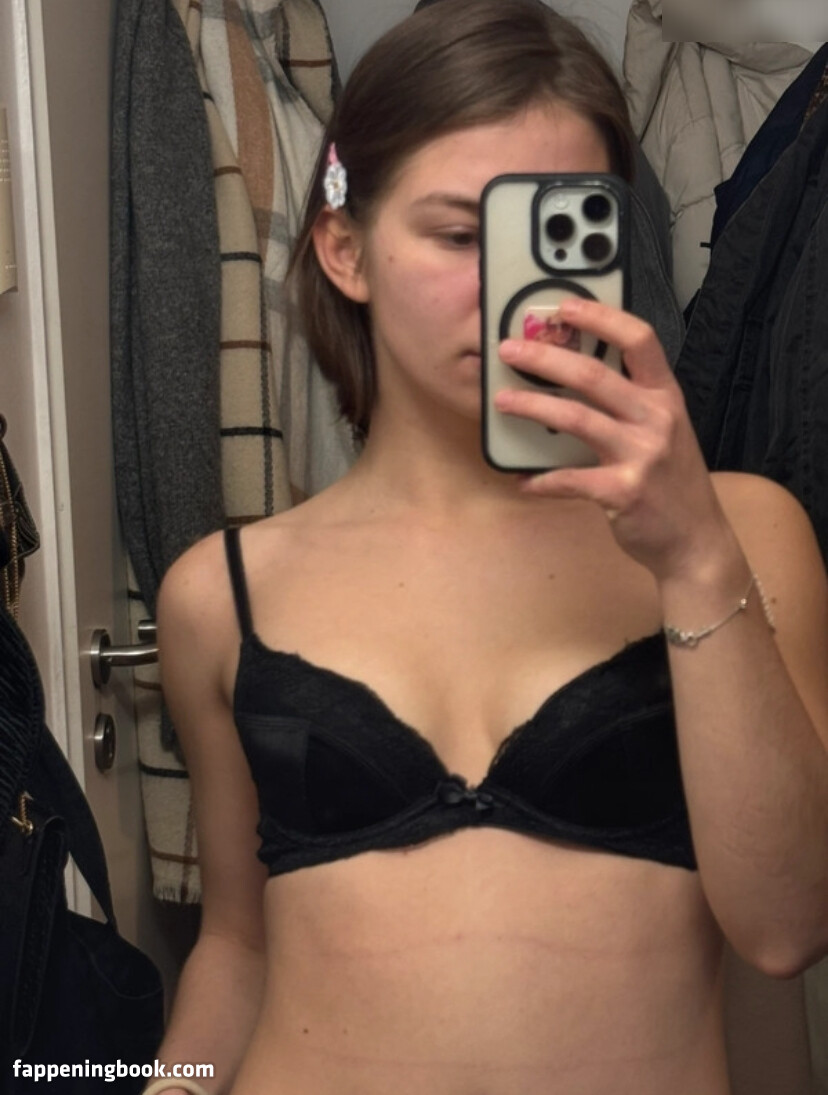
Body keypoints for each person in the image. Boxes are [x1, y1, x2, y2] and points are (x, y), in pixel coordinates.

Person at [151, 2, 828, 1093]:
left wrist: (695, 560)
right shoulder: (222, 594)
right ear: (345, 248)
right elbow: (237, 947)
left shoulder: (742, 535)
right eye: (462, 236)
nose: (513, 295)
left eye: (559, 234)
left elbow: (790, 925)